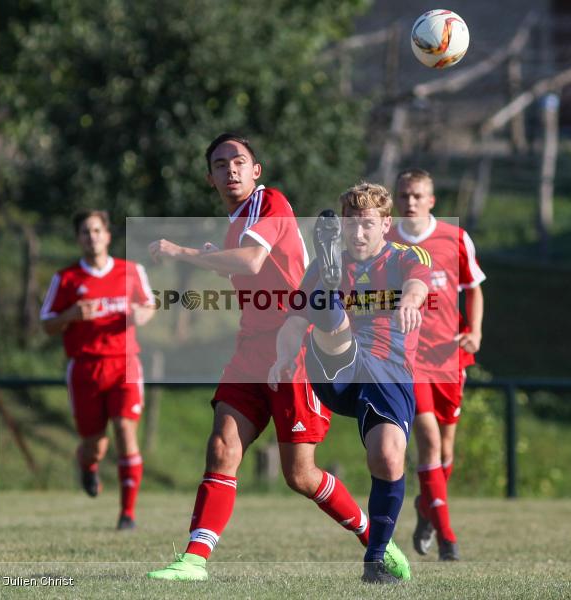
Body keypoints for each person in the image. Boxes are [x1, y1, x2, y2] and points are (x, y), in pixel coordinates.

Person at [145, 133, 410, 582]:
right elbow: (247, 265)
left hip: (297, 348)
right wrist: (213, 256)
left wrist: (182, 252)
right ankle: (194, 560)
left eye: (239, 161)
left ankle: (373, 537)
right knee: (221, 446)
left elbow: (251, 262)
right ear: (209, 178)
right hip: (251, 349)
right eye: (220, 164)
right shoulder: (237, 220)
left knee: (300, 475)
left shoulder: (272, 202)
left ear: (256, 171)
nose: (230, 169)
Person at [268, 182, 431, 583]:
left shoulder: (405, 257)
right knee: (329, 314)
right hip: (335, 364)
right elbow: (292, 324)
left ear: (386, 224)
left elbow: (418, 283)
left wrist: (410, 301)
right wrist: (285, 356)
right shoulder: (325, 266)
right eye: (350, 225)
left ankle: (375, 562)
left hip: (387, 371)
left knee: (388, 456)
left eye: (367, 225)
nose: (358, 234)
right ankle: (329, 294)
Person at [388, 168, 486, 561]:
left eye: (417, 195)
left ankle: (426, 507)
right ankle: (448, 539)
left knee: (447, 448)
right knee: (427, 438)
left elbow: (473, 289)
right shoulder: (386, 241)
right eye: (404, 195)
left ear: (431, 201)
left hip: (449, 355)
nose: (409, 202)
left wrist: (475, 332)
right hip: (407, 359)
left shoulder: (455, 239)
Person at [40, 210, 157, 530]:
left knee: (124, 429)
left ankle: (127, 514)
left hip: (124, 364)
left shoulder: (131, 271)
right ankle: (87, 465)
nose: (91, 237)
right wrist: (71, 315)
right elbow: (47, 324)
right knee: (95, 444)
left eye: (97, 230)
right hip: (85, 369)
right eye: (84, 232)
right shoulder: (66, 279)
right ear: (78, 238)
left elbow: (149, 306)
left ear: (107, 235)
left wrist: (139, 314)